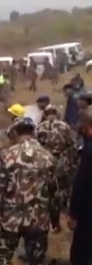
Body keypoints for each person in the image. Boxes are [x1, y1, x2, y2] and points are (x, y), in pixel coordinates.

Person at [0, 117, 54, 265]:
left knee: (1, 258)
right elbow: (53, 190)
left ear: (15, 132)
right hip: (38, 220)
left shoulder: (7, 155)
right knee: (36, 260)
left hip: (10, 220)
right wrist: (55, 219)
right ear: (33, 132)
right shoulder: (47, 156)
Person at [69, 108, 92, 265]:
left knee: (81, 252)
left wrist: (73, 214)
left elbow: (82, 184)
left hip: (88, 211)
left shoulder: (89, 151)